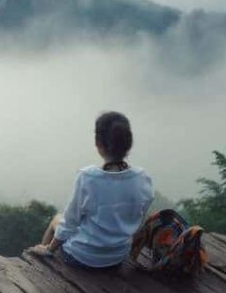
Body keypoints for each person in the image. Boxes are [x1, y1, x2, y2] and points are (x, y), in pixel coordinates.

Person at [29, 111, 154, 270]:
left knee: (56, 219)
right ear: (129, 143)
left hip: (82, 257)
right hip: (117, 257)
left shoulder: (88, 177)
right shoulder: (143, 177)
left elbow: (70, 222)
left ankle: (45, 254)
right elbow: (142, 212)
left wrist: (51, 247)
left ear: (98, 144)